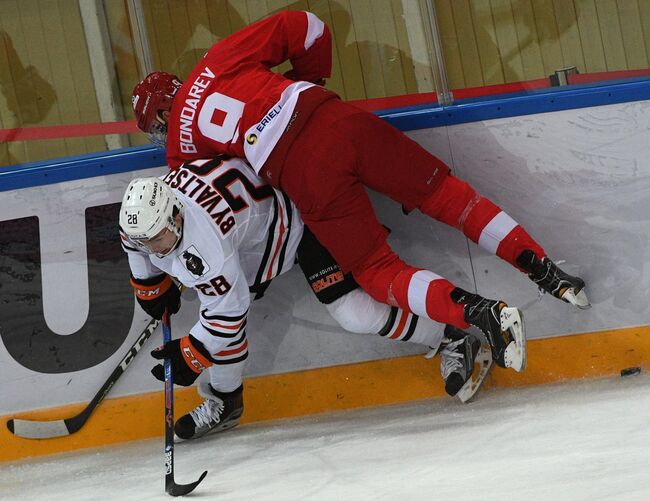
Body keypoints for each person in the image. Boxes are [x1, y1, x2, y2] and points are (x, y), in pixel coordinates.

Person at [132, 11, 589, 375]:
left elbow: (200, 212)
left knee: (376, 272)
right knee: (449, 196)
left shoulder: (180, 148)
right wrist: (308, 84)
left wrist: (154, 283)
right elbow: (309, 26)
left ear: (163, 115)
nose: (159, 135)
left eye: (154, 124)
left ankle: (479, 312)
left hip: (305, 178)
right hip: (337, 119)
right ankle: (545, 268)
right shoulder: (218, 58)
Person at [119, 157, 494, 439]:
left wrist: (193, 353)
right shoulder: (151, 212)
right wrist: (148, 284)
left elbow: (229, 311)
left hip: (301, 220)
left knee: (355, 314)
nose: (154, 249)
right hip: (253, 237)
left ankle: (452, 337)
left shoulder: (205, 245)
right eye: (147, 242)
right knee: (215, 326)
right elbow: (133, 241)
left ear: (176, 216)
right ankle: (225, 401)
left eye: (159, 240)